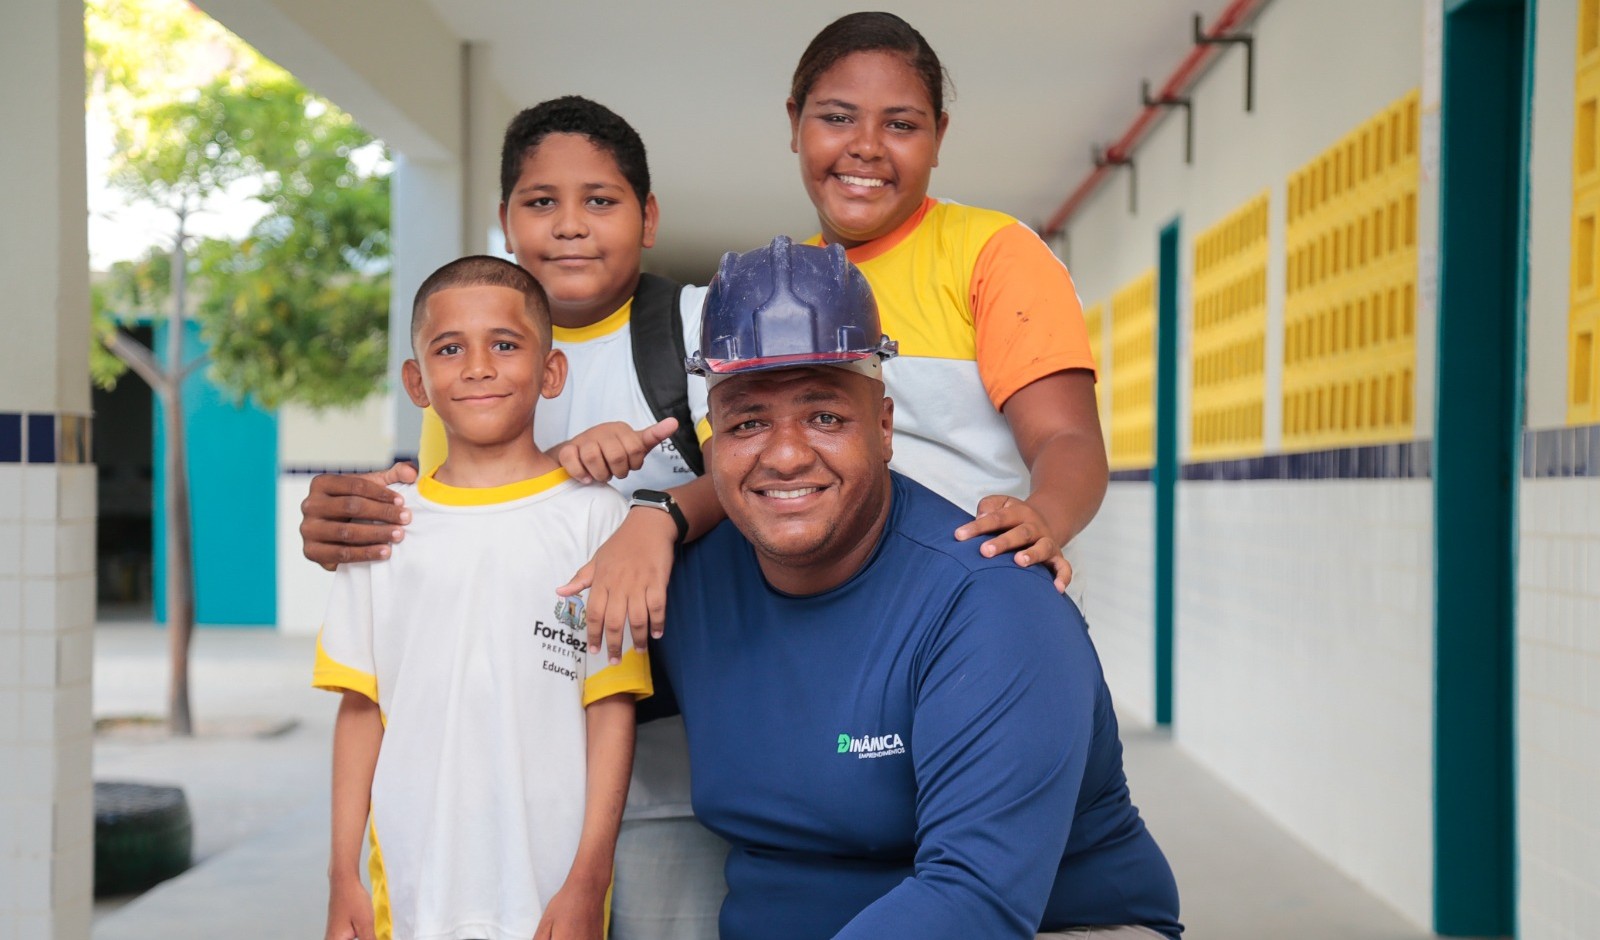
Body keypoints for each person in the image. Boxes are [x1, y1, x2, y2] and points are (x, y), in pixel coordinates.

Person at [656, 236, 1180, 939]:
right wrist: (643, 515)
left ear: (883, 427)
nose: (784, 455)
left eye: (825, 417)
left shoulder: (993, 606)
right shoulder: (689, 585)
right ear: (713, 441)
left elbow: (975, 901)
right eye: (749, 421)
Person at [302, 97, 729, 940]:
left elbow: (752, 476)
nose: (570, 225)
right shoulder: (454, 410)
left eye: (599, 201)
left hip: (681, 741)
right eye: (542, 202)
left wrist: (656, 515)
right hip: (499, 791)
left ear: (647, 218)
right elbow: (447, 544)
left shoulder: (692, 324)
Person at [314, 256, 651, 940]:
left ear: (551, 371)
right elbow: (360, 709)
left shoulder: (598, 519)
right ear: (417, 381)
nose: (477, 367)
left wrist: (590, 874)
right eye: (448, 348)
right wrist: (340, 874)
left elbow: (609, 708)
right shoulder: (383, 522)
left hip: (550, 884)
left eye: (504, 344)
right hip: (411, 883)